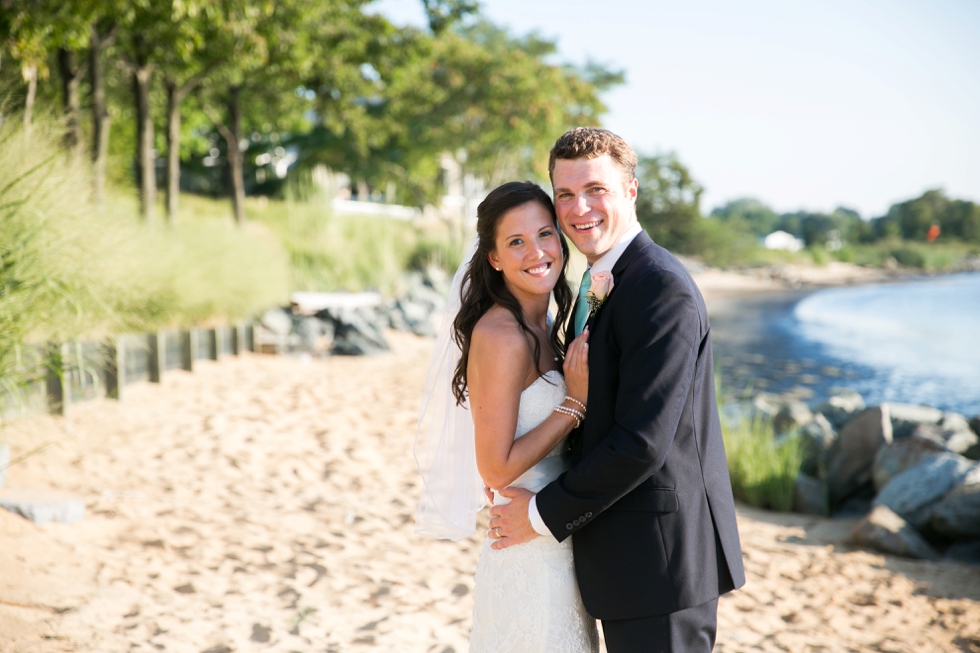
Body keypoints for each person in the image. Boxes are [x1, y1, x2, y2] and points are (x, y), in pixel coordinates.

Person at [488, 128, 746, 653]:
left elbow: (642, 442)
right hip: (622, 561)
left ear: (630, 190)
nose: (579, 208)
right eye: (564, 194)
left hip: (662, 564)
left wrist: (539, 514)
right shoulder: (600, 282)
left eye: (595, 190)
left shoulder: (660, 288)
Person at [414, 181, 599, 651]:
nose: (535, 252)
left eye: (544, 234)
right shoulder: (502, 334)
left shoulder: (544, 323)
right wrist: (573, 406)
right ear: (493, 257)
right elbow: (495, 467)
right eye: (515, 242)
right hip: (527, 553)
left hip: (554, 540)